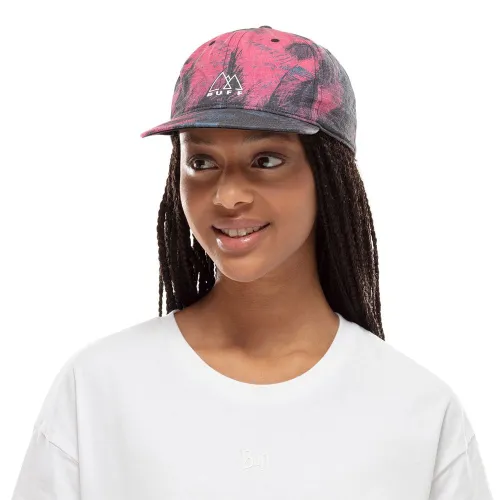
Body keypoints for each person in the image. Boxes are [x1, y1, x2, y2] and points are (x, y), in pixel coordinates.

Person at [11, 26, 493, 500]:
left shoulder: (419, 411)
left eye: (266, 160)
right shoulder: (96, 389)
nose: (228, 196)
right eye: (202, 162)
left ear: (329, 175)